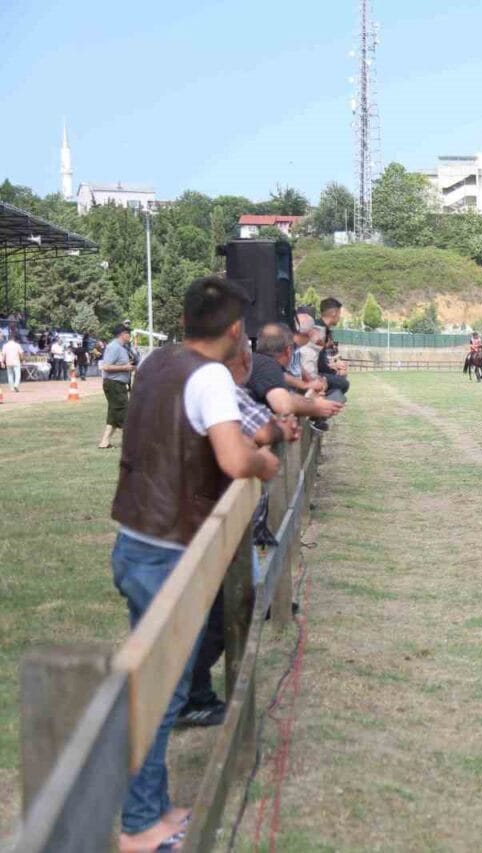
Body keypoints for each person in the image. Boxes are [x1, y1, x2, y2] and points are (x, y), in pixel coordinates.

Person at [109, 276, 279, 853]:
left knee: (154, 687)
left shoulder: (157, 360)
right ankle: (139, 827)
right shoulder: (208, 376)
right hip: (167, 552)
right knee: (162, 694)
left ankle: (152, 808)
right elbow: (234, 458)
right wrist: (263, 463)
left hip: (134, 540)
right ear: (235, 331)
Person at [180, 336, 299, 730]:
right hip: (201, 513)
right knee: (229, 604)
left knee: (224, 602)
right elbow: (258, 433)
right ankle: (190, 695)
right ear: (244, 361)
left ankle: (190, 693)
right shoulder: (219, 385)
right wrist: (269, 444)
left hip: (185, 512)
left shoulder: (177, 374)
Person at [247, 322, 344, 421]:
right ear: (288, 350)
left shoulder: (256, 361)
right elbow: (283, 404)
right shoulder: (268, 365)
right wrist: (315, 405)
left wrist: (307, 385)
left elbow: (282, 376)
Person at [99, 325, 135, 449]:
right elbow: (106, 367)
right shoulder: (113, 347)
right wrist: (124, 368)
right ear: (122, 334)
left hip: (118, 384)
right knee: (124, 411)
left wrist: (128, 366)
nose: (130, 336)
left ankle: (104, 442)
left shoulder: (122, 348)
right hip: (114, 384)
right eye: (128, 333)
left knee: (113, 414)